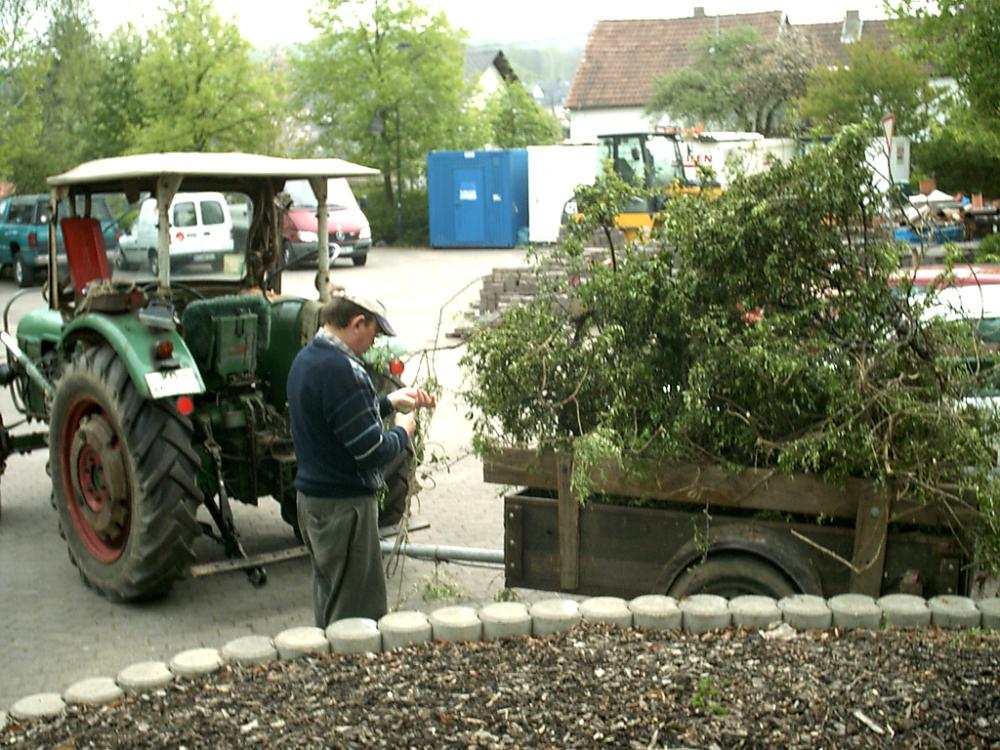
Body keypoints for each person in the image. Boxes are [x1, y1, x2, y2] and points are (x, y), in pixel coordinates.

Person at [286, 292, 435, 627]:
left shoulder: (307, 359)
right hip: (345, 509)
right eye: (374, 333)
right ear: (357, 323)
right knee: (356, 619)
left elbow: (335, 423)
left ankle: (329, 667)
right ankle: (347, 674)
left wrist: (388, 402)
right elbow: (372, 453)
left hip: (313, 504)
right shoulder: (344, 371)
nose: (374, 343)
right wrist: (403, 430)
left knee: (330, 604)